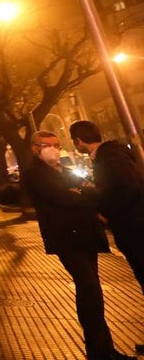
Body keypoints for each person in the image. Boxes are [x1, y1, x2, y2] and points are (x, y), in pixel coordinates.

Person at [22, 130, 138, 360]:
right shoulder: (34, 174)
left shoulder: (61, 170)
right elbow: (64, 198)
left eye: (56, 144)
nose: (53, 149)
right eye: (46, 145)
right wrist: (80, 193)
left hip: (84, 235)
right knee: (89, 289)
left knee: (92, 291)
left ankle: (104, 349)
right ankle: (100, 352)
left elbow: (88, 192)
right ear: (35, 148)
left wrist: (81, 191)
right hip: (67, 239)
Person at [70, 121, 144, 307]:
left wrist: (107, 213)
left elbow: (130, 188)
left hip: (134, 227)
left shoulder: (110, 158)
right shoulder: (110, 155)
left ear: (78, 141)